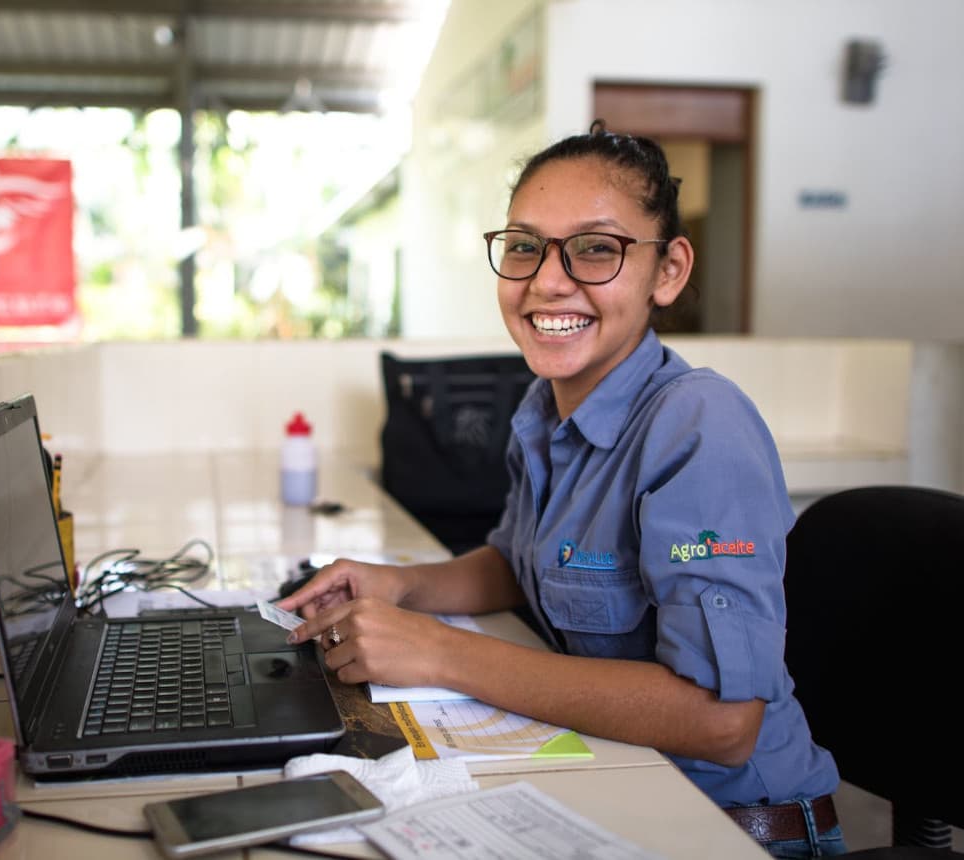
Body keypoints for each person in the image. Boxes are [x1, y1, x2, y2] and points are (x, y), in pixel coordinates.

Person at [278, 121, 845, 858]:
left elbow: (722, 723)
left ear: (668, 271)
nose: (547, 280)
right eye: (523, 246)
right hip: (610, 792)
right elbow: (521, 563)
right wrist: (398, 587)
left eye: (596, 248)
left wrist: (439, 654)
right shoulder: (545, 410)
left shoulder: (699, 426)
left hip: (730, 830)